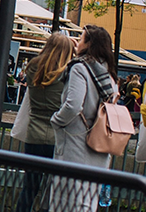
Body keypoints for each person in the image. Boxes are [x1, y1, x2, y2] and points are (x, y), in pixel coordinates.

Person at [50, 25, 120, 212]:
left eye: (81, 39)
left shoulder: (79, 68)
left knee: (65, 198)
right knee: (88, 200)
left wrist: (56, 120)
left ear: (89, 44)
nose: (77, 43)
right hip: (100, 143)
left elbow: (73, 105)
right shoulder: (109, 75)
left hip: (75, 140)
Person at [12, 31, 76, 212]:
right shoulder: (68, 73)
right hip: (57, 137)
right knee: (53, 190)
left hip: (34, 134)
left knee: (29, 188)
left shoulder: (33, 67)